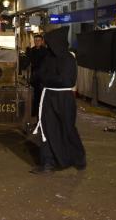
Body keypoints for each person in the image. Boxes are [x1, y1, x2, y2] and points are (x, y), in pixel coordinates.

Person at [31, 27, 86, 174]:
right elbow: (38, 75)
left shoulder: (69, 58)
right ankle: (48, 163)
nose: (49, 46)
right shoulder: (48, 58)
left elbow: (67, 81)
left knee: (68, 129)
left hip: (64, 98)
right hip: (48, 97)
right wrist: (49, 80)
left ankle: (78, 158)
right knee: (46, 128)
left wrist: (47, 80)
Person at [26, 34, 47, 116]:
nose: (37, 42)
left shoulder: (45, 51)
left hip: (43, 76)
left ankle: (42, 112)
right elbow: (28, 62)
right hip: (34, 75)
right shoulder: (31, 50)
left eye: (39, 40)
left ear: (42, 41)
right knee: (34, 95)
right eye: (35, 40)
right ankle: (34, 111)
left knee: (41, 95)